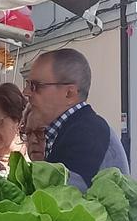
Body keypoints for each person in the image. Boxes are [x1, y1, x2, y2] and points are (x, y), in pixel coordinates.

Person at [25, 47, 127, 186]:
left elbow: (64, 201)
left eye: (35, 86)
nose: (26, 92)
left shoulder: (86, 132)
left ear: (70, 93)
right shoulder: (74, 128)